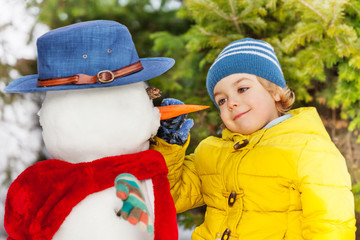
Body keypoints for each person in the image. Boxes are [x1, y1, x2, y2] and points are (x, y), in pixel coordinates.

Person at [151, 38, 356, 239]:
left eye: (242, 89)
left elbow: (331, 226)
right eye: (221, 100)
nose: (231, 103)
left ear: (275, 91)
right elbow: (169, 197)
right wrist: (170, 144)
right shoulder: (210, 153)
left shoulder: (309, 149)